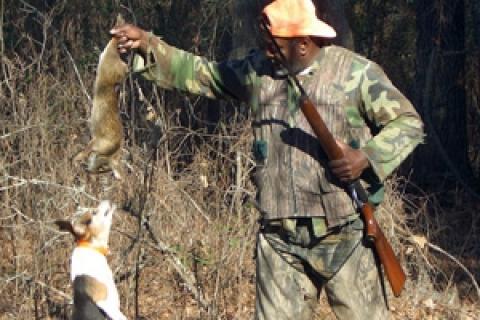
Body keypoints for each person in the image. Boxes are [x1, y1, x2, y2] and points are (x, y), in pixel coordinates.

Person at [110, 0, 424, 319]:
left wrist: (366, 158)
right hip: (279, 240)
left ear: (303, 44)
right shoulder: (257, 72)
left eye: (276, 44)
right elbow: (200, 73)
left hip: (344, 234)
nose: (266, 50)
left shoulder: (357, 74)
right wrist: (147, 44)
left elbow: (408, 123)